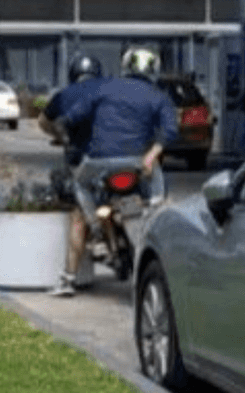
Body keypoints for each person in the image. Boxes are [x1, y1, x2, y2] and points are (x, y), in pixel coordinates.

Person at [48, 47, 177, 297]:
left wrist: (66, 137)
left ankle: (96, 233)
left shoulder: (104, 87)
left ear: (125, 67)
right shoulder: (158, 96)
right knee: (158, 197)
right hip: (138, 162)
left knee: (80, 184)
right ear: (154, 70)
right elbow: (170, 130)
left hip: (99, 161)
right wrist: (152, 155)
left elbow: (71, 118)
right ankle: (156, 222)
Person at [39, 53, 107, 168]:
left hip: (77, 155)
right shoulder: (109, 92)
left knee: (65, 175)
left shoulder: (63, 94)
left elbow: (43, 122)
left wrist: (60, 137)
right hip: (112, 154)